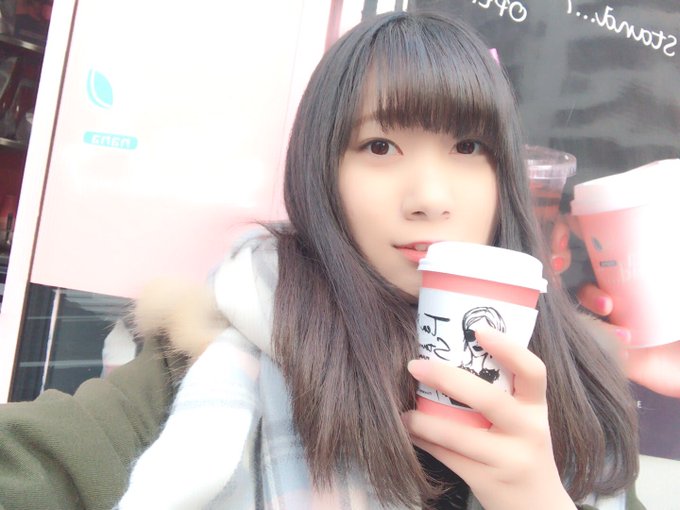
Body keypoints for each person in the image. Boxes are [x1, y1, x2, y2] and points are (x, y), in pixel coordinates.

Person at [0, 11, 644, 510]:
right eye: (380, 146)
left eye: (468, 146)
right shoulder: (220, 352)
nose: (429, 198)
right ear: (321, 171)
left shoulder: (578, 381)